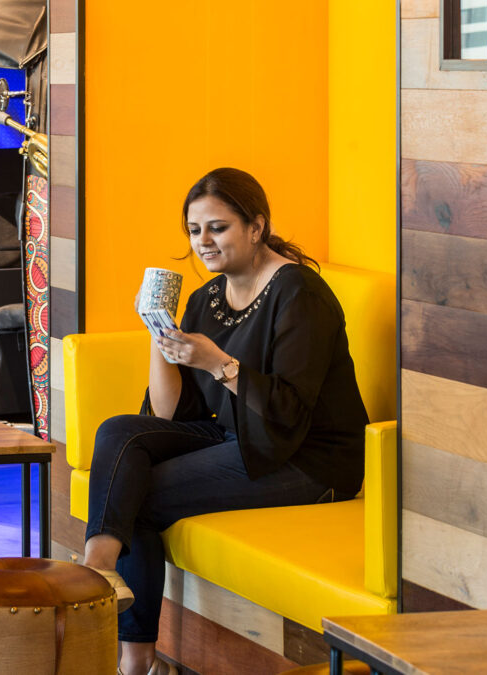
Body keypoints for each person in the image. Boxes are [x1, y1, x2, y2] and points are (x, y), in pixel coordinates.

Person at [81, 168, 369, 675]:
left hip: (309, 457)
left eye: (218, 227)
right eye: (195, 231)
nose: (204, 242)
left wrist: (218, 362)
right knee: (120, 431)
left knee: (137, 496)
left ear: (256, 227)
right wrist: (159, 328)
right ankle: (100, 571)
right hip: (241, 437)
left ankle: (134, 658)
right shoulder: (206, 297)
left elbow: (289, 412)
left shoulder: (300, 294)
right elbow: (170, 414)